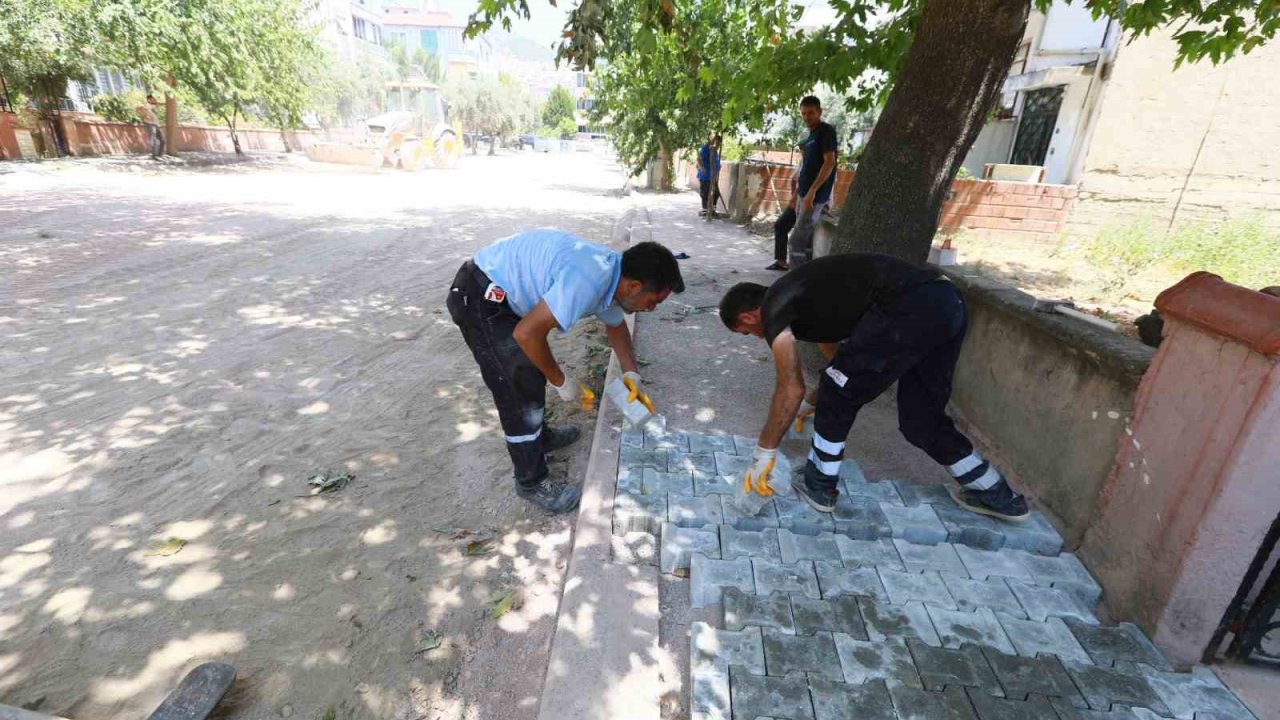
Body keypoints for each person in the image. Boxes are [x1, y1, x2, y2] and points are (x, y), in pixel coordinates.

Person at [718, 253, 1029, 521]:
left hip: (908, 306)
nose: (756, 337)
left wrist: (765, 452)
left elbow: (792, 387)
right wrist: (814, 401)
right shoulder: (806, 301)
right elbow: (843, 362)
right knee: (921, 420)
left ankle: (819, 485)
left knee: (836, 394)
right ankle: (995, 494)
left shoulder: (774, 308)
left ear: (748, 315)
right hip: (946, 302)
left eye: (746, 332)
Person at [447, 230, 684, 513]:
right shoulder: (588, 279)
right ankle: (531, 482)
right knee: (519, 382)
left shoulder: (612, 276)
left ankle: (540, 437)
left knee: (530, 372)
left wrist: (631, 374)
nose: (652, 309)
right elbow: (527, 333)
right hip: (479, 296)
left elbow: (616, 327)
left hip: (500, 293)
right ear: (634, 287)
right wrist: (562, 382)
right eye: (654, 300)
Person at [768, 96, 838, 271]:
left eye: (811, 113)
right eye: (803, 114)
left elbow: (830, 162)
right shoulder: (811, 135)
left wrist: (812, 192)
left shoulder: (826, 131)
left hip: (812, 198)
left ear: (820, 112)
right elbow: (806, 170)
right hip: (804, 195)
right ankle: (806, 278)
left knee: (796, 241)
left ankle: (795, 282)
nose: (807, 117)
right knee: (805, 242)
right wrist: (799, 194)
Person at [697, 134, 722, 217]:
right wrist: (702, 168)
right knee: (705, 192)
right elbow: (699, 159)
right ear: (714, 141)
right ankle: (705, 210)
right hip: (705, 175)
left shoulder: (715, 151)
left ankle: (712, 210)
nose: (718, 146)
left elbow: (715, 162)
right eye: (717, 144)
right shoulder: (706, 148)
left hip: (712, 176)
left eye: (719, 144)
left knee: (716, 193)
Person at [136, 94, 164, 159]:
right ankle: (154, 155)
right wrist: (146, 117)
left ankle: (159, 155)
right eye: (152, 99)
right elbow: (139, 110)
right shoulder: (147, 105)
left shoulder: (151, 106)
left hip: (155, 124)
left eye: (154, 99)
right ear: (148, 100)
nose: (154, 100)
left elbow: (156, 104)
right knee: (153, 138)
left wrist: (157, 101)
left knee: (162, 140)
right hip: (150, 124)